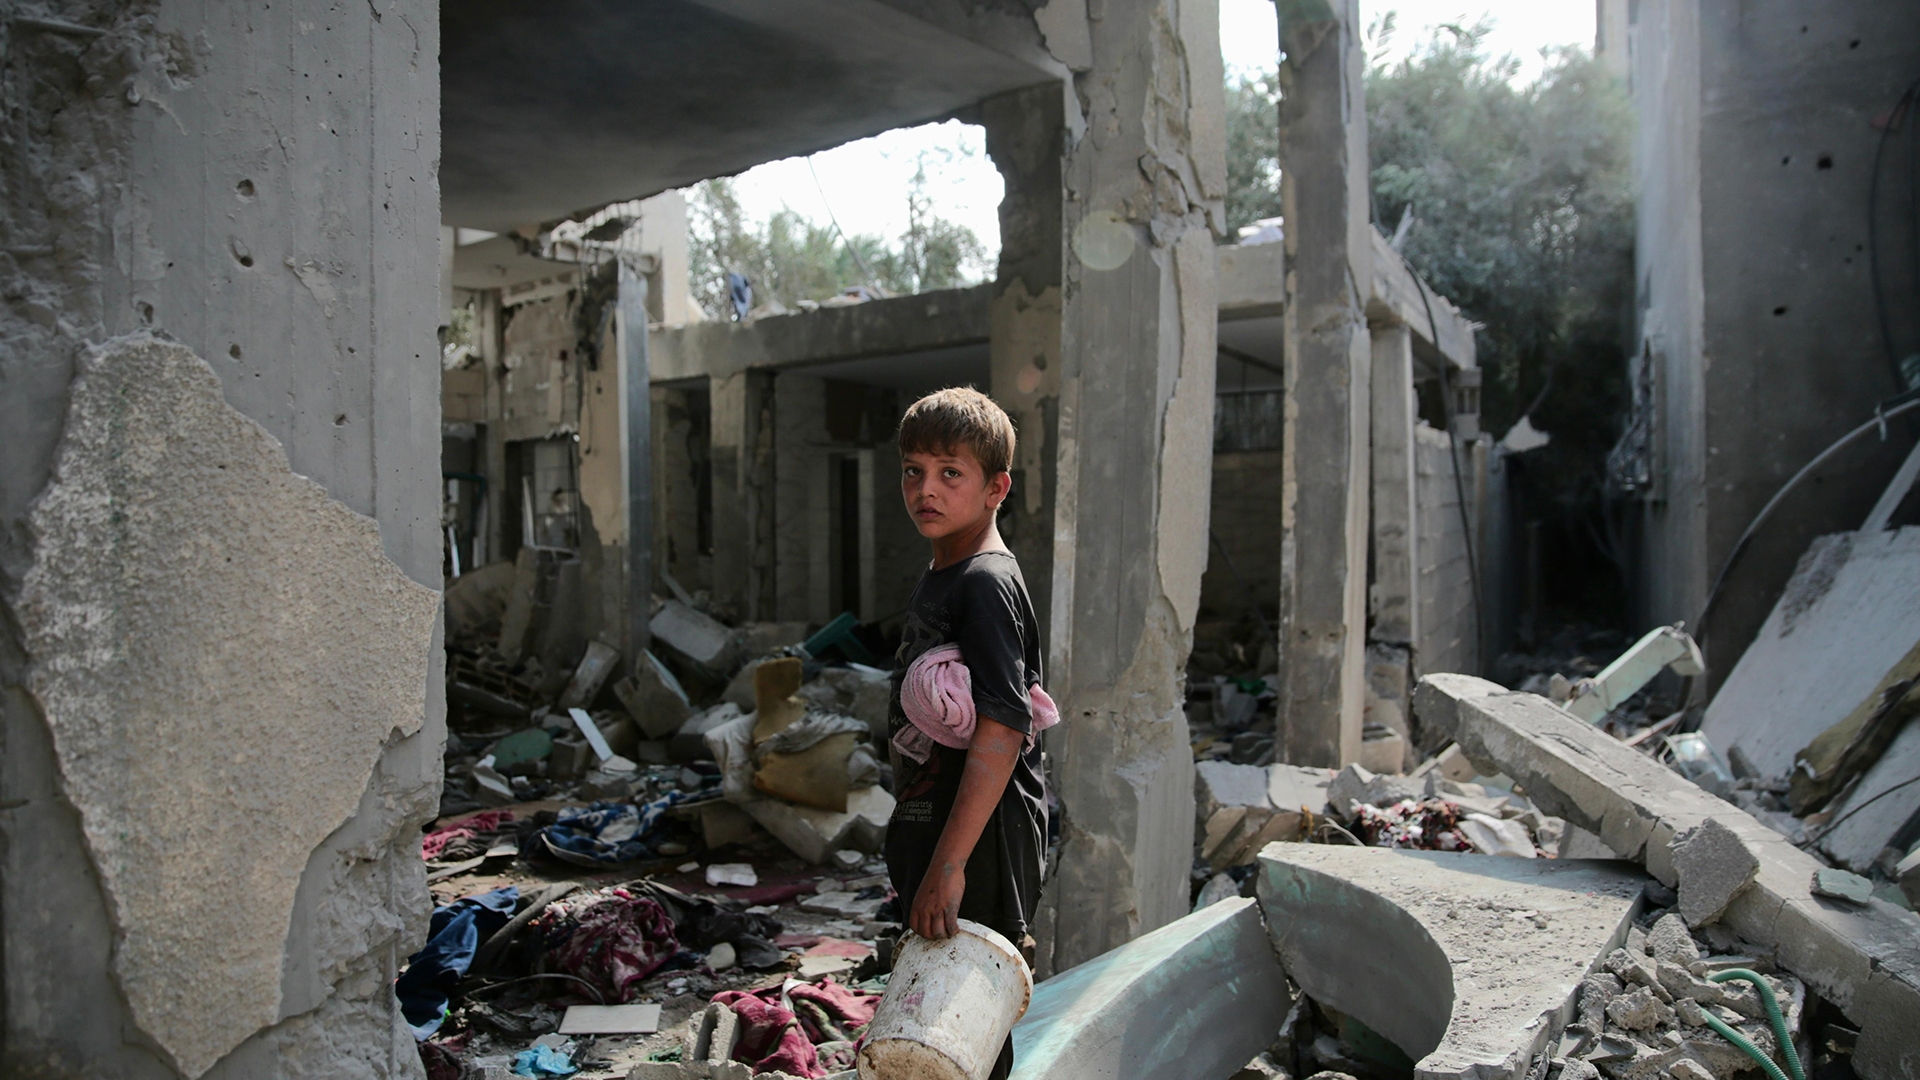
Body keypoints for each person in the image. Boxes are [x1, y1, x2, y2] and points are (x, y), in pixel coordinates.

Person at [883, 387, 1049, 1080]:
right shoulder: (944, 569)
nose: (927, 488)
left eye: (951, 472)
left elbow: (1005, 725)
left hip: (980, 843)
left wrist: (949, 866)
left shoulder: (983, 580)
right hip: (942, 827)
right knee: (937, 1029)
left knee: (965, 1033)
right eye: (914, 471)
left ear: (996, 488)